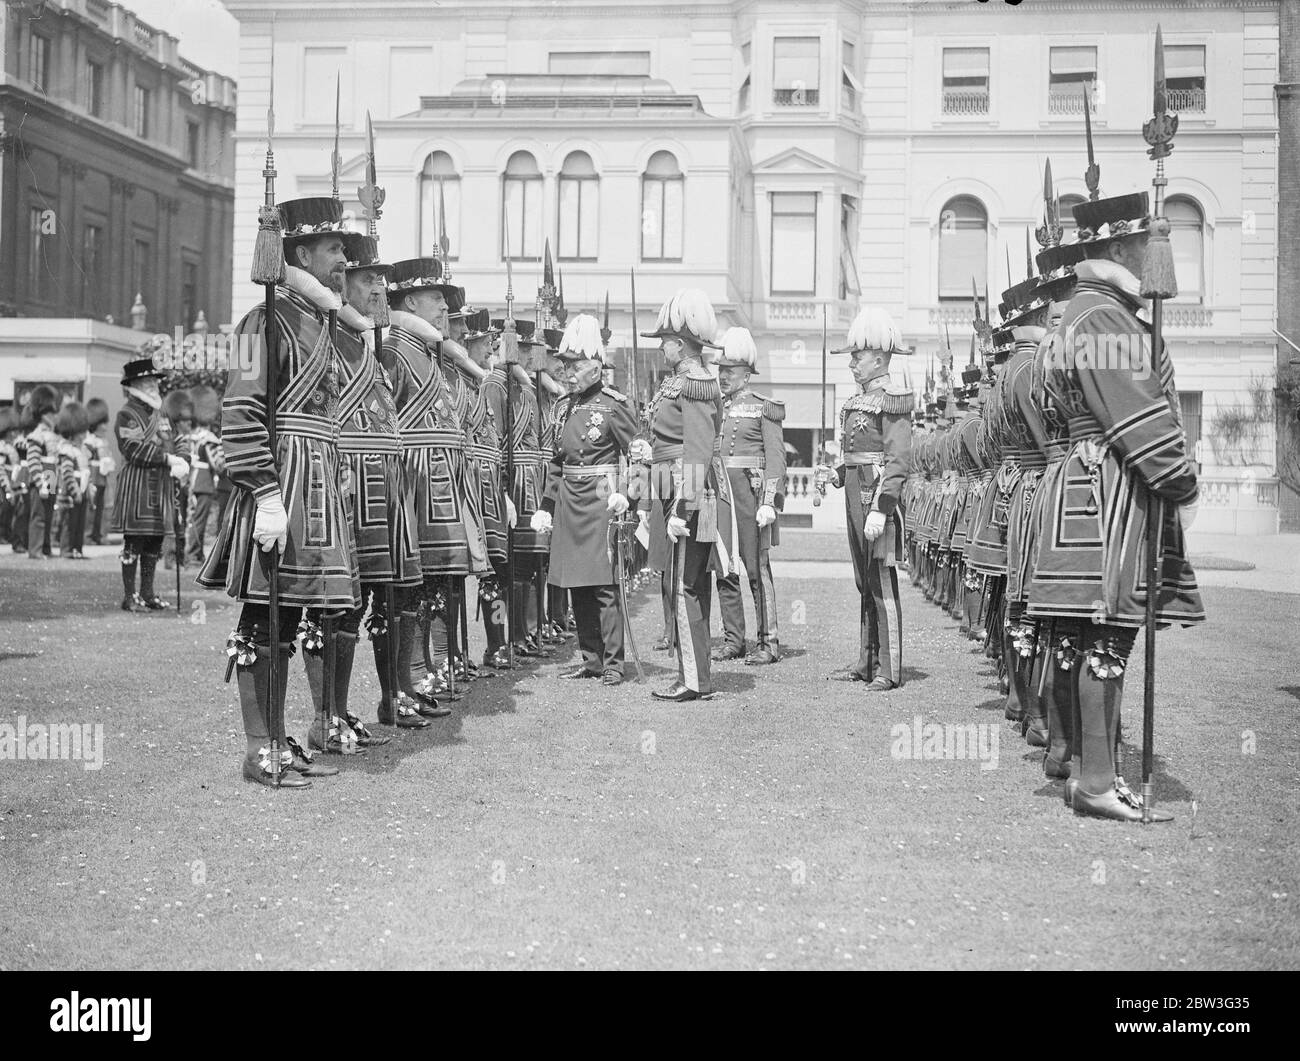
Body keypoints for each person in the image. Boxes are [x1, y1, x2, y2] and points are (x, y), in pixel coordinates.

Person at [1026, 191, 1205, 822]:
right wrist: (1179, 478)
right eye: (1143, 243)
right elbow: (1135, 413)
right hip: (1110, 488)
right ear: (1120, 247)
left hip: (1083, 480)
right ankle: (1098, 780)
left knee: (1081, 637)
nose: (1153, 254)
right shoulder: (1103, 318)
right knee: (1108, 633)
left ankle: (1085, 771)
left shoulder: (1085, 312)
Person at [197, 196, 360, 788]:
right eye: (335, 249)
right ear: (300, 253)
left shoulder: (323, 323)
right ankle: (258, 745)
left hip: (316, 488)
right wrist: (264, 491)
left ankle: (278, 736)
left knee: (290, 615)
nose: (344, 261)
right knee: (263, 618)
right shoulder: (257, 321)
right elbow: (239, 411)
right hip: (281, 487)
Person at [380, 257, 473, 714]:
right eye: (436, 298)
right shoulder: (395, 350)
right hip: (413, 481)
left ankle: (423, 670)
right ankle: (412, 674)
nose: (443, 307)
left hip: (437, 480)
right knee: (410, 583)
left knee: (432, 582)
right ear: (411, 301)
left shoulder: (428, 352)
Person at [531, 313, 639, 686]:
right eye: (564, 365)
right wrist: (546, 505)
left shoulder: (615, 404)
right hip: (570, 505)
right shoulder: (564, 407)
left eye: (574, 366)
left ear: (595, 366)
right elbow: (558, 463)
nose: (568, 373)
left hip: (601, 502)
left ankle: (613, 663)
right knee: (578, 584)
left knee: (605, 587)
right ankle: (591, 659)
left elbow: (639, 454)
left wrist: (629, 496)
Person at [636, 288, 731, 702]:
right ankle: (695, 674)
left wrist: (681, 506)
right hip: (673, 487)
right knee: (689, 585)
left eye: (665, 341)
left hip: (686, 493)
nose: (661, 348)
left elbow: (696, 450)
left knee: (684, 586)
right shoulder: (681, 381)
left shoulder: (694, 383)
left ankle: (693, 679)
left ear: (680, 343)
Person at [817, 307, 913, 692]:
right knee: (863, 580)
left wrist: (883, 506)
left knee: (882, 581)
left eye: (858, 356)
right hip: (857, 495)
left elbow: (897, 460)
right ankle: (867, 659)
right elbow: (857, 458)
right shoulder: (858, 401)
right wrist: (837, 473)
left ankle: (888, 668)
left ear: (880, 357)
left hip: (876, 502)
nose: (853, 363)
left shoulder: (892, 399)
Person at [710, 326, 785, 666]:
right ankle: (733, 639)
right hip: (720, 496)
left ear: (746, 373)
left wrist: (770, 501)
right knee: (724, 569)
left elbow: (776, 460)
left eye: (730, 370)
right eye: (721, 369)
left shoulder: (763, 408)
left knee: (757, 570)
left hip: (750, 498)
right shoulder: (714, 407)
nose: (723, 376)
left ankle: (768, 641)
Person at [113, 356, 188, 609]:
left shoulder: (162, 413)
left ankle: (147, 593)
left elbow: (178, 439)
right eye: (147, 381)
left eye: (154, 380)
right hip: (137, 486)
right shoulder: (127, 413)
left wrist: (184, 459)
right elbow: (132, 448)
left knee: (154, 543)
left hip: (162, 486)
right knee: (134, 542)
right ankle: (129, 596)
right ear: (134, 384)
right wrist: (167, 458)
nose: (152, 385)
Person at [184, 386, 224, 566]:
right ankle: (193, 554)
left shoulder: (190, 435)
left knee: (192, 518)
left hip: (190, 479)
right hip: (203, 481)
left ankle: (195, 553)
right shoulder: (209, 437)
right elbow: (218, 464)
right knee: (199, 519)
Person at [23, 384, 61, 561]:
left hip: (51, 477)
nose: (54, 416)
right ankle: (35, 550)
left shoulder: (52, 434)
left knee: (49, 516)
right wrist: (40, 483)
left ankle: (45, 548)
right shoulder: (37, 435)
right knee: (38, 517)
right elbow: (32, 461)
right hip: (42, 478)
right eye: (51, 413)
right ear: (43, 414)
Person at [162, 389, 195, 571]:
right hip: (170, 483)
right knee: (173, 522)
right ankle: (171, 558)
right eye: (184, 420)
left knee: (181, 523)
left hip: (183, 486)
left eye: (189, 420)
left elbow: (185, 456)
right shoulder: (168, 435)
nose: (188, 423)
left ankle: (181, 557)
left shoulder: (184, 439)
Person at [54, 402, 91, 560]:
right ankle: (67, 550)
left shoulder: (80, 449)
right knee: (69, 524)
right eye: (81, 432)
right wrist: (76, 491)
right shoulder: (67, 450)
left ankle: (77, 549)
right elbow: (68, 474)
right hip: (70, 495)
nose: (84, 435)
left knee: (79, 524)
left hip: (81, 494)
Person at [84, 398, 114, 547]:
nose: (105, 426)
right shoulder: (89, 441)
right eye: (102, 423)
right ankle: (88, 535)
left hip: (102, 477)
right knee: (92, 507)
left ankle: (100, 535)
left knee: (102, 507)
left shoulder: (103, 441)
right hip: (93, 476)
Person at [0, 408, 21, 548]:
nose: (15, 433)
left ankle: (6, 533)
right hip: (4, 482)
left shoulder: (12, 446)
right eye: (12, 430)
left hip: (12, 480)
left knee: (11, 509)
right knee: (4, 508)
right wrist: (7, 487)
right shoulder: (2, 447)